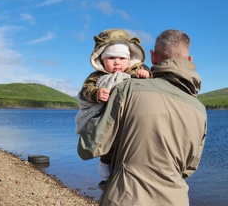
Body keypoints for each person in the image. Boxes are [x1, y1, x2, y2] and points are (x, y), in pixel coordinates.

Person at [77, 29, 207, 206]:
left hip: (126, 197)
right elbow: (189, 168)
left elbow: (88, 147)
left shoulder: (127, 89)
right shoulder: (200, 110)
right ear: (190, 60)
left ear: (153, 57)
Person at [75, 28, 152, 181]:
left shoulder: (135, 71)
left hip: (129, 115)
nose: (117, 62)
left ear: (129, 60)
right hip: (107, 115)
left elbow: (149, 80)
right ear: (102, 59)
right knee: (107, 138)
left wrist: (146, 74)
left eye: (122, 58)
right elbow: (85, 90)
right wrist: (96, 93)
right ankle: (105, 160)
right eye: (111, 58)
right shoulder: (97, 76)